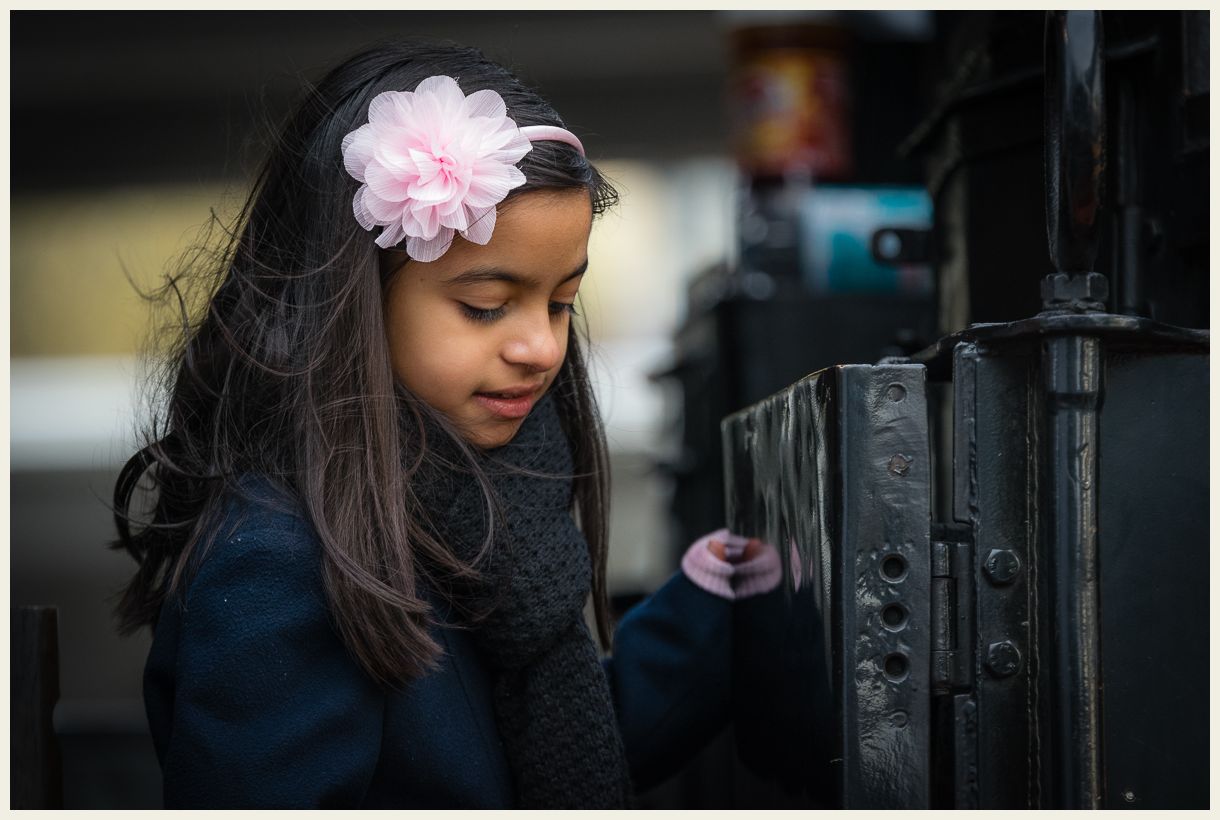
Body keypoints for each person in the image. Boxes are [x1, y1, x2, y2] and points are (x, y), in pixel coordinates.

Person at [111, 40, 780, 809]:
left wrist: (706, 614)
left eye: (561, 302)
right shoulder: (277, 561)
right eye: (486, 305)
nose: (541, 348)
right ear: (351, 295)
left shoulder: (494, 497)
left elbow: (547, 756)